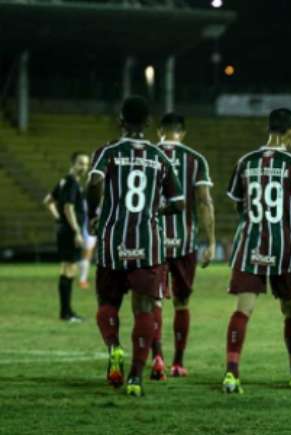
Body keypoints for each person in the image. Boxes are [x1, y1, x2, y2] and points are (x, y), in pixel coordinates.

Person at [87, 96, 185, 396]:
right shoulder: (160, 156)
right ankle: (135, 377)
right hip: (148, 244)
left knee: (107, 304)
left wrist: (96, 214)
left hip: (113, 241)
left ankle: (114, 348)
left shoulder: (108, 151)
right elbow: (179, 203)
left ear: (120, 121)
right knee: (144, 309)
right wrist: (155, 212)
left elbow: (93, 183)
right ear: (148, 124)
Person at [221, 108, 291, 394]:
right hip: (283, 248)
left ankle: (231, 374)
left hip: (249, 244)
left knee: (244, 309)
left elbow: (238, 202)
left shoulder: (245, 161)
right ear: (290, 132)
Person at [148, 113, 216, 380]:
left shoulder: (148, 155)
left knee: (154, 301)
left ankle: (157, 358)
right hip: (185, 241)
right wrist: (210, 242)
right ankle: (177, 363)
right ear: (182, 133)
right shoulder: (195, 158)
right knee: (181, 302)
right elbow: (204, 202)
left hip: (152, 240)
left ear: (159, 131)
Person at [43, 152, 90, 322]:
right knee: (69, 270)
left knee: (67, 269)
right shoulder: (71, 183)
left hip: (65, 229)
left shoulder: (64, 181)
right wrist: (76, 231)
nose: (84, 167)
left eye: (86, 164)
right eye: (80, 163)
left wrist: (58, 219)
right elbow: (69, 208)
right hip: (70, 232)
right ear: (73, 163)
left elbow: (48, 200)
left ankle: (66, 311)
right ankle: (67, 313)